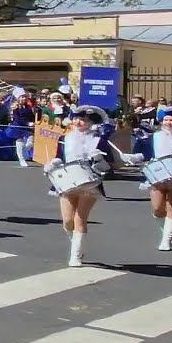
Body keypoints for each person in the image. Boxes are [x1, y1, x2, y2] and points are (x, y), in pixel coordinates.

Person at [42, 105, 122, 267]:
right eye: (77, 119)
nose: (79, 122)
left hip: (90, 182)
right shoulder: (65, 138)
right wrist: (53, 163)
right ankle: (77, 244)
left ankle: (76, 255)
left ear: (91, 123)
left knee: (80, 218)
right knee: (68, 221)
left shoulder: (99, 140)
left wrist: (99, 159)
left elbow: (110, 166)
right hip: (67, 181)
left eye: (84, 120)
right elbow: (60, 157)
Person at [121, 110, 172, 251]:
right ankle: (165, 230)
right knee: (157, 209)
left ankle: (167, 238)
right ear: (161, 121)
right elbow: (145, 154)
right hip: (156, 174)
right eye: (166, 119)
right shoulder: (154, 137)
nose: (169, 123)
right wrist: (131, 157)